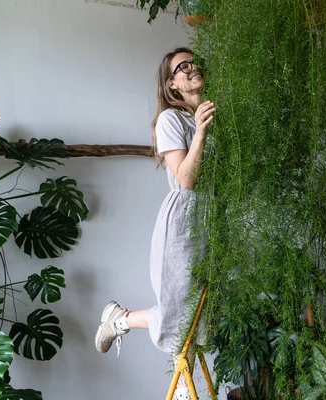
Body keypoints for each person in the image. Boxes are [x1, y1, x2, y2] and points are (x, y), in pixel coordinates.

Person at [94, 47, 215, 385]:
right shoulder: (170, 120)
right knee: (181, 311)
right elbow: (186, 180)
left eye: (196, 62)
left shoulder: (211, 113)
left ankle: (120, 319)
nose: (193, 69)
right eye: (183, 67)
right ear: (172, 84)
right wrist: (201, 132)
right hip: (185, 219)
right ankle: (121, 320)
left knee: (205, 311)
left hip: (215, 219)